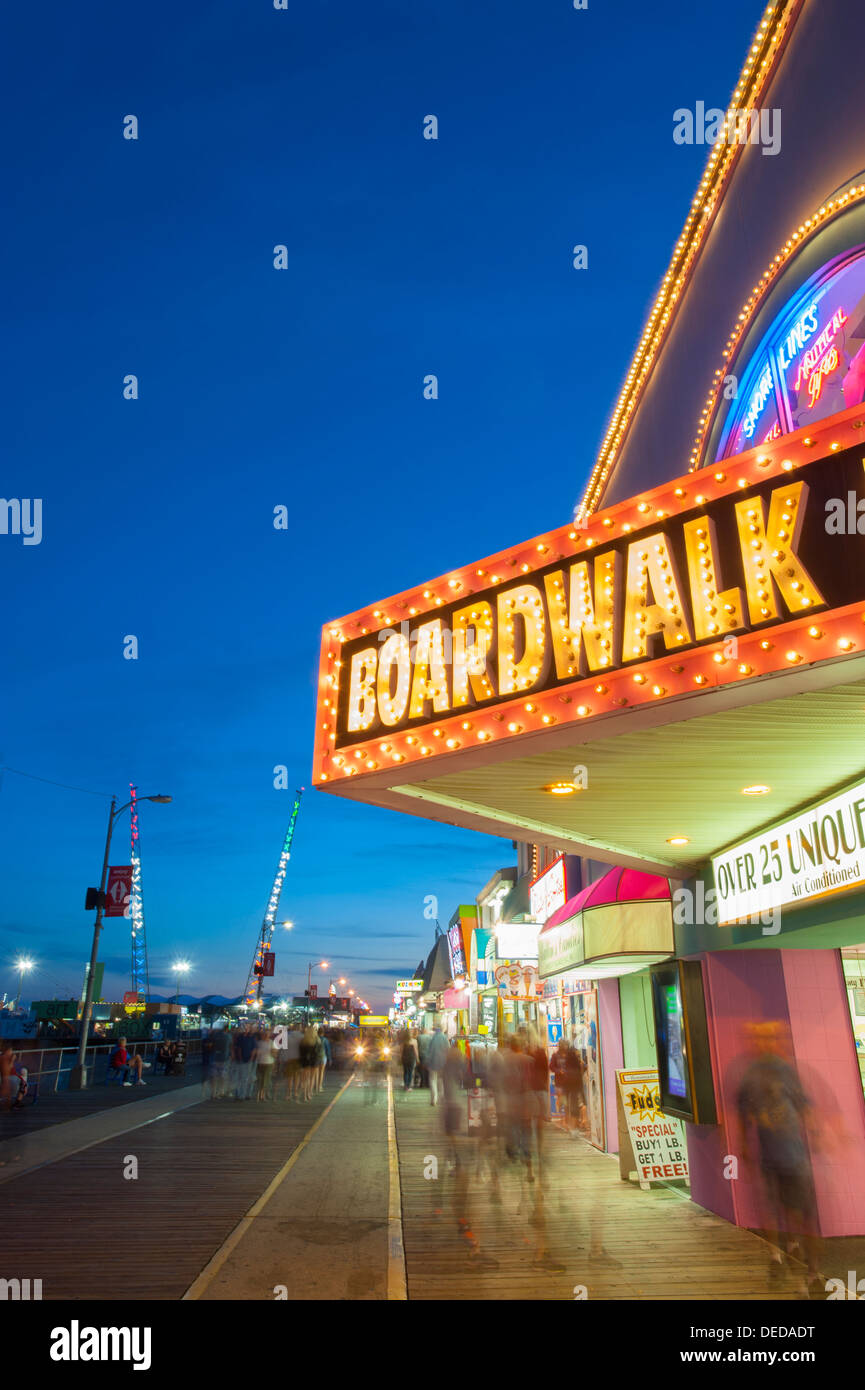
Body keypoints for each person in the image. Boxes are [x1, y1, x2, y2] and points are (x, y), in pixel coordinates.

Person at [735, 1021, 824, 1294]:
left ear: (778, 1040)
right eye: (759, 1038)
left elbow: (805, 1106)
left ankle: (813, 1273)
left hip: (794, 1157)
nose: (765, 1043)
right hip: (769, 1159)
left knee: (802, 1215)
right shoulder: (750, 1076)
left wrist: (816, 1132)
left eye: (770, 1037)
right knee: (771, 1209)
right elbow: (743, 1112)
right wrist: (744, 1144)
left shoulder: (787, 1072)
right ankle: (776, 1257)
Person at [233, 1027, 257, 1100]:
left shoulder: (250, 1038)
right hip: (243, 1060)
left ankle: (242, 1095)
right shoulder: (241, 1038)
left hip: (246, 1060)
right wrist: (241, 1058)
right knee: (242, 1078)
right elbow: (239, 1049)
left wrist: (251, 1058)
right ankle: (241, 1095)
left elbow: (253, 1049)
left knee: (243, 1078)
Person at [427, 1025, 448, 1106]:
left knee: (433, 1080)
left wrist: (427, 1062)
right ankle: (441, 1098)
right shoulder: (445, 1038)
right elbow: (448, 1050)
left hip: (433, 1063)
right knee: (441, 1081)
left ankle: (434, 1099)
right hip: (443, 1063)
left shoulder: (432, 1038)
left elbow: (429, 1052)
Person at [254, 1030, 276, 1101]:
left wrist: (274, 1062)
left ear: (269, 1035)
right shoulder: (259, 1043)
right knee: (260, 1079)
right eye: (265, 1034)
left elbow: (274, 1053)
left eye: (267, 1034)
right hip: (260, 1063)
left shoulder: (272, 1042)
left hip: (269, 1063)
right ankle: (260, 1094)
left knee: (266, 1080)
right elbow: (255, 1053)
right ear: (262, 1035)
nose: (266, 1035)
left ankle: (262, 1095)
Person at [299, 1024, 318, 1101]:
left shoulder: (303, 1041)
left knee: (305, 1079)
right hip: (313, 1061)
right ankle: (309, 1093)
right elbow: (316, 1052)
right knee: (311, 1078)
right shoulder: (315, 1041)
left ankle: (304, 1095)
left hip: (304, 1061)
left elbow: (300, 1052)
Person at [283, 1025, 302, 1100]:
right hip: (298, 1059)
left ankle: (288, 1094)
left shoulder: (287, 1037)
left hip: (289, 1059)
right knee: (297, 1077)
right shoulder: (302, 1037)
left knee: (289, 1077)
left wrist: (284, 1058)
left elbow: (284, 1049)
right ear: (299, 1029)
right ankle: (296, 1092)